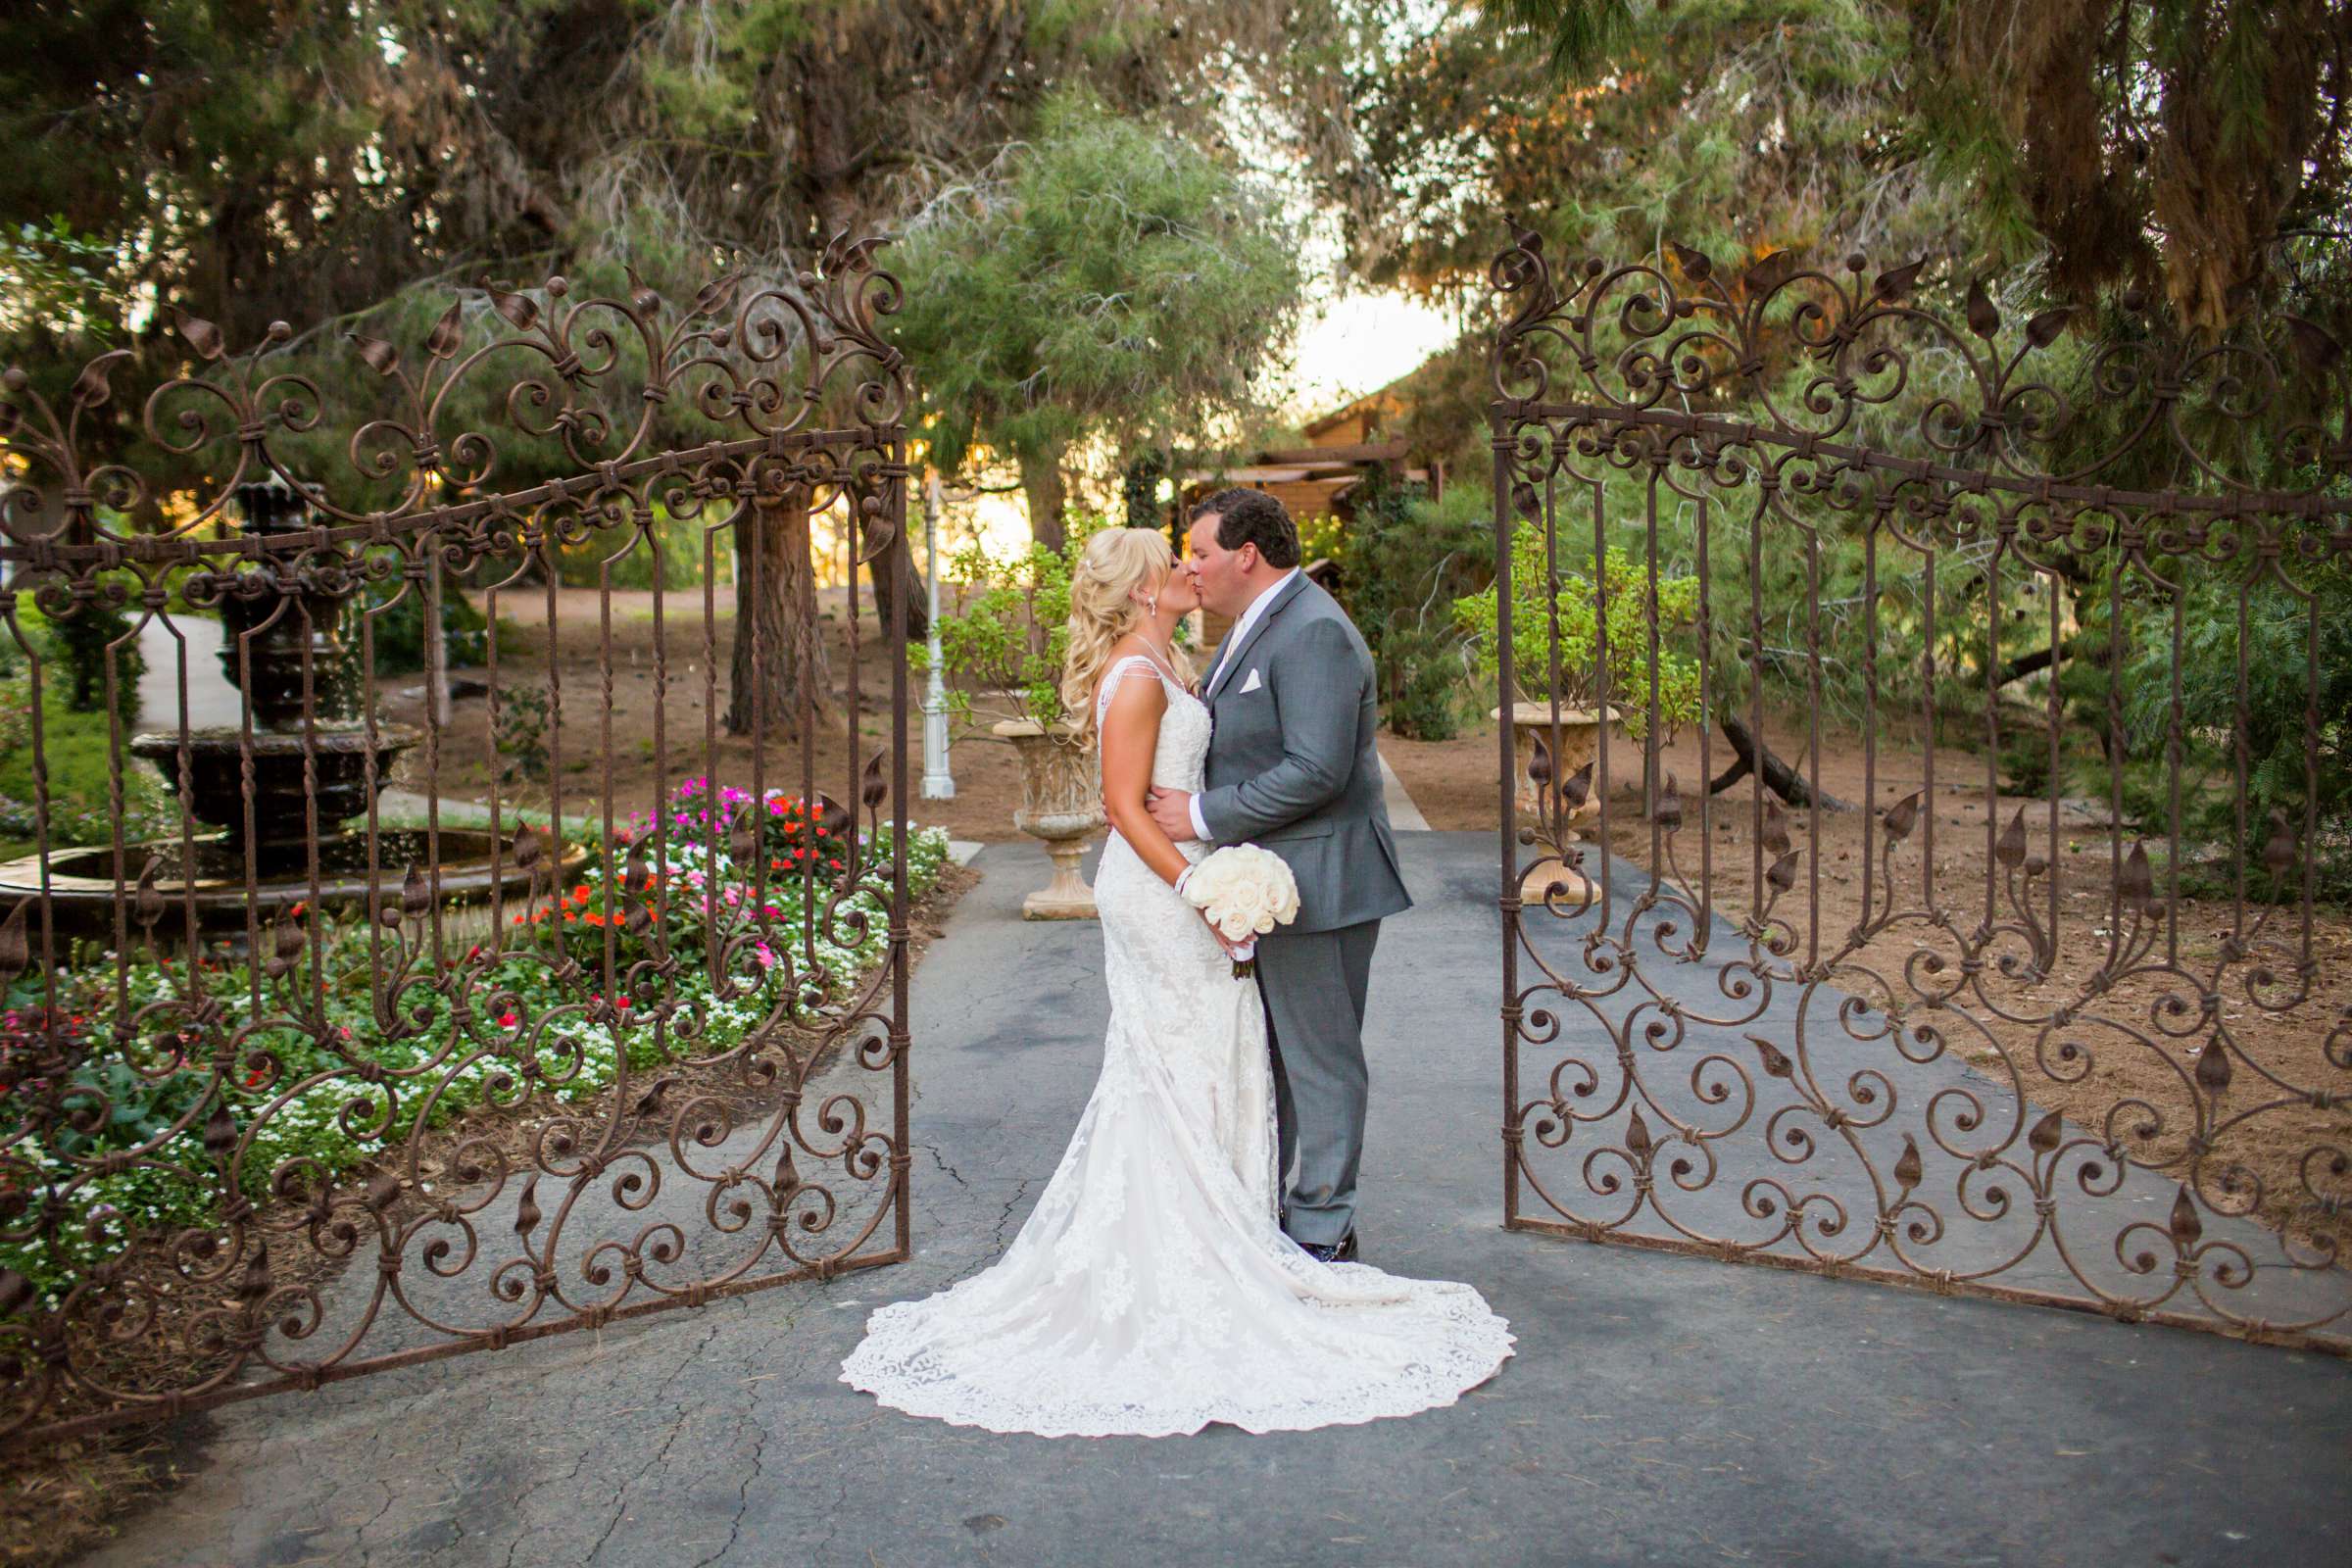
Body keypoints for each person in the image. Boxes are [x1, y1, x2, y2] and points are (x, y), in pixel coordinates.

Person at [839, 525, 1511, 1437]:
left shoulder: (1193, 648)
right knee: (1176, 1059)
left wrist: (1206, 845)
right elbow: (1121, 803)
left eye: (1199, 549)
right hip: (1169, 887)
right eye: (1176, 556)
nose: (1191, 566)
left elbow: (1284, 763)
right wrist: (1196, 875)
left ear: (1243, 554)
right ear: (1147, 584)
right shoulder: (1139, 669)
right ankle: (1209, 1239)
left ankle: (1243, 1226)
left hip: (1201, 873)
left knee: (1221, 1054)